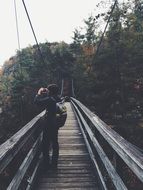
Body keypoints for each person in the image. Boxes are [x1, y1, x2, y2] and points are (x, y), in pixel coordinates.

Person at [34, 84, 61, 169]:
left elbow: (37, 101)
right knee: (55, 143)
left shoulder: (50, 100)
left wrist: (39, 93)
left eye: (49, 91)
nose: (47, 92)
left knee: (45, 144)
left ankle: (46, 164)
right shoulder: (58, 99)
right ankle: (54, 163)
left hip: (48, 125)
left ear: (51, 92)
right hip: (56, 124)